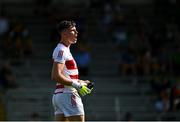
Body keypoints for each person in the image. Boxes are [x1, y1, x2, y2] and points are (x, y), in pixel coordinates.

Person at [51, 20, 93, 121]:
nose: (76, 32)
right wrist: (77, 85)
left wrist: (81, 82)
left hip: (60, 95)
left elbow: (65, 76)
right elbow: (55, 76)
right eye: (73, 30)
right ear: (65, 33)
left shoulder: (63, 49)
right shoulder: (62, 50)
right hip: (68, 95)